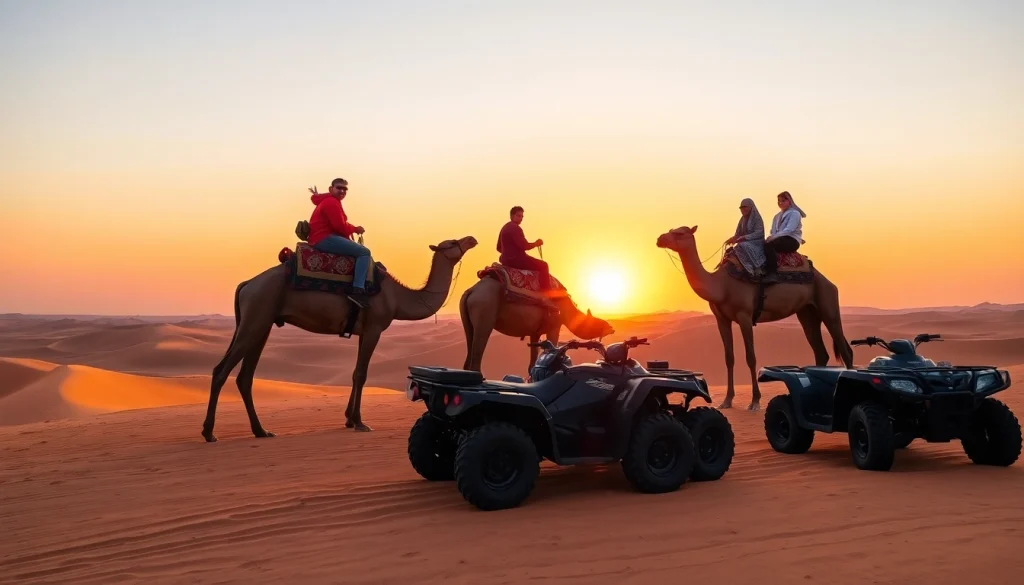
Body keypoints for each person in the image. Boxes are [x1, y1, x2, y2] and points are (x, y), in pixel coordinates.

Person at [306, 178, 371, 300]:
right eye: (339, 188)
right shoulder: (331, 202)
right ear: (331, 189)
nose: (342, 191)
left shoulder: (329, 200)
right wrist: (355, 229)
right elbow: (339, 226)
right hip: (323, 237)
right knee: (364, 252)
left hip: (321, 236)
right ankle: (358, 290)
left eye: (344, 189)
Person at [496, 206, 550, 288]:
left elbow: (498, 248)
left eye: (522, 216)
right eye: (518, 216)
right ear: (512, 216)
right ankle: (547, 292)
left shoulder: (504, 227)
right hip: (517, 260)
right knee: (544, 265)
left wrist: (507, 253)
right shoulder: (516, 228)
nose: (521, 218)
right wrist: (536, 243)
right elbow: (524, 246)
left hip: (505, 260)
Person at [763, 190, 806, 276]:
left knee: (769, 246)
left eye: (783, 200)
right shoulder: (777, 216)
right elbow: (773, 231)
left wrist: (773, 238)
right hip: (779, 238)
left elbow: (789, 230)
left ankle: (772, 273)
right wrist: (770, 237)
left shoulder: (795, 214)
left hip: (791, 240)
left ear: (789, 201)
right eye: (779, 201)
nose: (780, 203)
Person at [725, 198, 766, 278]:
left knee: (743, 245)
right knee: (734, 249)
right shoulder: (742, 220)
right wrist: (732, 239)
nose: (743, 209)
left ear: (751, 207)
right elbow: (738, 233)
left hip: (756, 242)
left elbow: (759, 233)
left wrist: (745, 237)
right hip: (744, 242)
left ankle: (757, 268)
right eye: (741, 208)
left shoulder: (757, 218)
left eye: (745, 207)